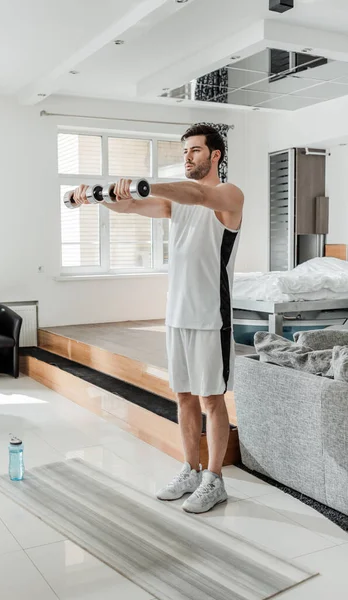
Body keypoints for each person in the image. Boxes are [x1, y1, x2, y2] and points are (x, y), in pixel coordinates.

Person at [72, 122, 244, 514]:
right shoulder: (176, 204)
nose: (187, 157)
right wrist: (98, 197)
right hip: (177, 315)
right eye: (184, 152)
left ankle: (215, 480)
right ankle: (190, 470)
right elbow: (132, 205)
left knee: (211, 400)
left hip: (210, 318)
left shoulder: (228, 195)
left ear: (215, 155)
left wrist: (145, 183)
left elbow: (200, 194)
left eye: (195, 151)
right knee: (183, 396)